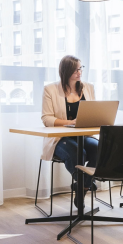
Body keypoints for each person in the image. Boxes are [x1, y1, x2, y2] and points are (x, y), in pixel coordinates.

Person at [41, 55, 98, 207]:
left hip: (84, 135)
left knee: (99, 149)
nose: (79, 72)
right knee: (78, 152)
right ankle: (86, 183)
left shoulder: (88, 87)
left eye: (80, 68)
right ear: (66, 71)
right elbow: (46, 118)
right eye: (75, 70)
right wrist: (70, 123)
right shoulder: (50, 89)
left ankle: (82, 187)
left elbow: (94, 111)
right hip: (60, 137)